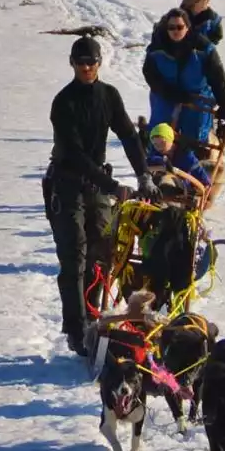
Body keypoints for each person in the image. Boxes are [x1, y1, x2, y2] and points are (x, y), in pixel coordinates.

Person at [46, 35, 153, 357]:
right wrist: (112, 186)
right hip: (66, 184)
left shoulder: (109, 95)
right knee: (74, 258)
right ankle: (77, 331)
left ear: (99, 63)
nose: (87, 68)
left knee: (102, 254)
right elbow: (75, 154)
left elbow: (129, 135)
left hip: (96, 186)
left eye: (91, 62)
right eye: (81, 63)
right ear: (72, 64)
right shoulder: (63, 102)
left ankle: (95, 319)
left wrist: (144, 175)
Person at [142, 9, 225, 158]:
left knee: (195, 133)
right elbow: (150, 74)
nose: (175, 31)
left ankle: (195, 165)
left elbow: (217, 77)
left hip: (196, 94)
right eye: (171, 27)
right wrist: (169, 92)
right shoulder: (156, 48)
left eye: (179, 27)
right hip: (166, 93)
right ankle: (157, 164)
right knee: (161, 130)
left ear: (187, 27)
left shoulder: (203, 48)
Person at [145, 122, 210, 201]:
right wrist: (162, 162)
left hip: (181, 188)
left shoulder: (185, 155)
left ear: (171, 140)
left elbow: (197, 170)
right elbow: (148, 162)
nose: (159, 147)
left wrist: (206, 184)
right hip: (158, 185)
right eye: (155, 144)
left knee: (167, 181)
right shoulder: (155, 154)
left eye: (163, 142)